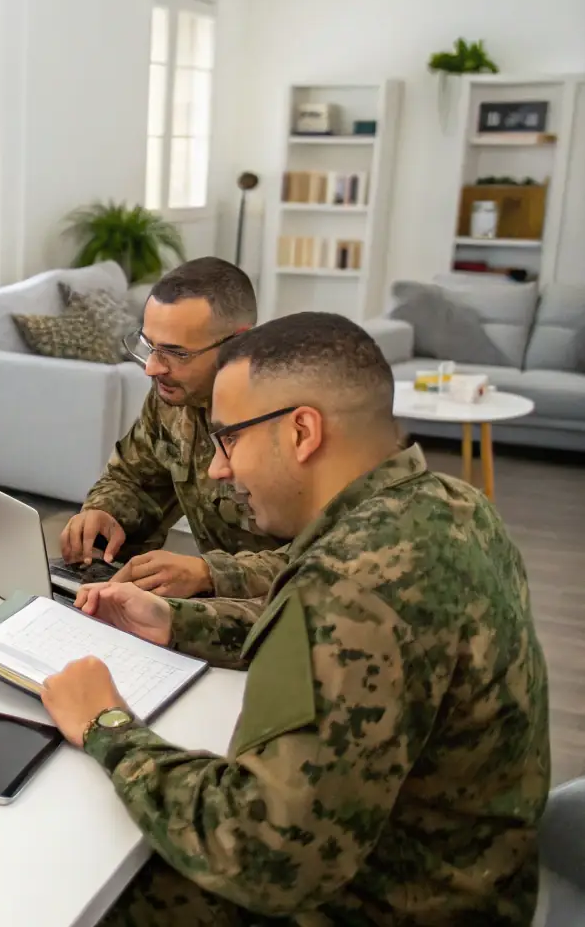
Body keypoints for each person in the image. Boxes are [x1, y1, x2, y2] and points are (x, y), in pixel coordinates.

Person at [41, 312, 550, 925]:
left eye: (228, 439)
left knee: (82, 890)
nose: (216, 469)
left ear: (303, 432)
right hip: (467, 879)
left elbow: (259, 854)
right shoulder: (453, 506)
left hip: (387, 903)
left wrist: (107, 724)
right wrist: (178, 622)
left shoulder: (347, 586)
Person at [59, 258, 286, 600]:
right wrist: (104, 512)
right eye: (149, 346)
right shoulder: (172, 399)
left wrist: (209, 574)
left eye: (175, 353)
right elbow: (136, 479)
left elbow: (327, 562)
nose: (152, 367)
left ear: (238, 342)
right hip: (210, 615)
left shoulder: (289, 422)